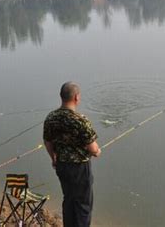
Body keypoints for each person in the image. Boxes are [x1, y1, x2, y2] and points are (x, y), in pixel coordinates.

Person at [43, 82, 101, 227]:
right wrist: (97, 152)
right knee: (83, 206)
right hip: (80, 169)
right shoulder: (80, 120)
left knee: (68, 201)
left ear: (61, 97)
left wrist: (54, 158)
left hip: (62, 166)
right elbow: (93, 148)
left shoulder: (51, 117)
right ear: (76, 97)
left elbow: (47, 141)